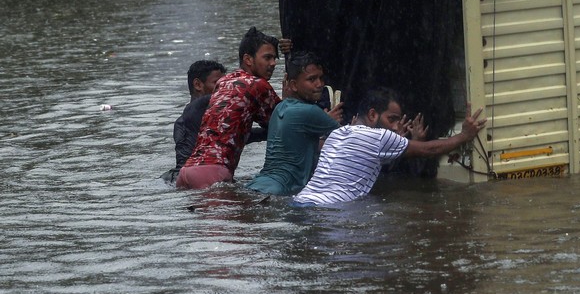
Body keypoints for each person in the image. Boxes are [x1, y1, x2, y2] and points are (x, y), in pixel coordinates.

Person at [293, 88, 486, 207]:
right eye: (391, 119)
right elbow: (429, 150)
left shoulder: (337, 134)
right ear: (372, 115)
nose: (395, 126)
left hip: (301, 202)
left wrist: (412, 141)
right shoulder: (379, 137)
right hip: (331, 208)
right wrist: (464, 135)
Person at [177, 27, 283, 190]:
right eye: (267, 57)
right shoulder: (258, 85)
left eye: (275, 58)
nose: (273, 63)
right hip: (212, 171)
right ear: (248, 59)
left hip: (187, 171)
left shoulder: (225, 81)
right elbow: (284, 123)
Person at [245, 51, 344, 196]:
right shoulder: (310, 111)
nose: (320, 84)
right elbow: (351, 138)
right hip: (281, 190)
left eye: (321, 78)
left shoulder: (280, 107)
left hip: (257, 183)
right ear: (294, 85)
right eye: (312, 79)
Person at [162, 59, 225, 184]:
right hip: (194, 178)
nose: (223, 89)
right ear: (197, 85)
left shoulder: (187, 119)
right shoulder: (192, 116)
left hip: (182, 179)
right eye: (217, 84)